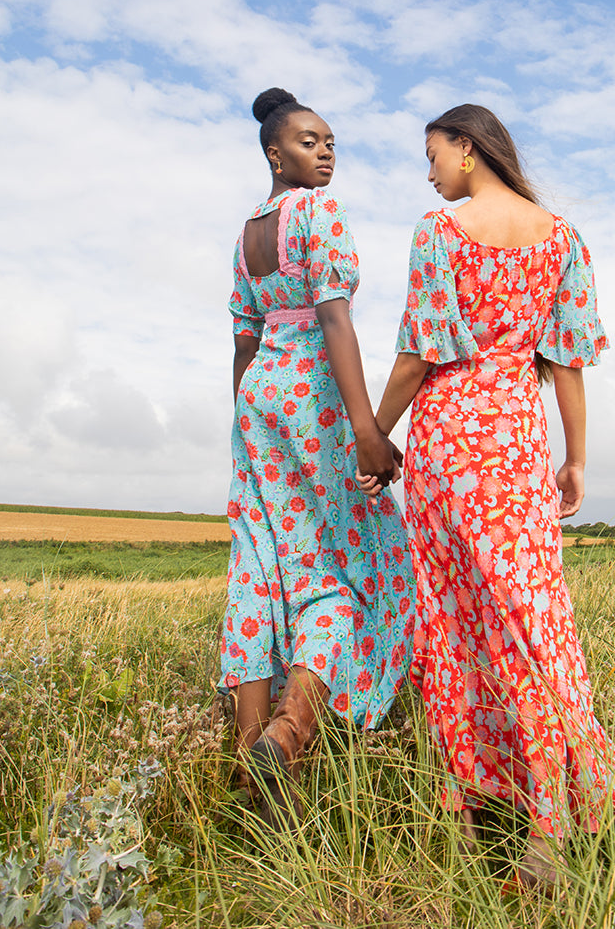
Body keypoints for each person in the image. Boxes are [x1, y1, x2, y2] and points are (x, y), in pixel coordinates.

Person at [371, 104, 615, 882]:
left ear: (469, 149)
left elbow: (420, 355)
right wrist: (576, 459)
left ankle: (470, 809)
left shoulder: (438, 234)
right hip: (518, 446)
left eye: (434, 154)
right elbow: (569, 361)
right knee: (531, 622)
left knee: (450, 624)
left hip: (448, 448)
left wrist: (374, 432)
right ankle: (545, 822)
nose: (429, 172)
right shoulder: (562, 238)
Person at [222, 87, 414, 816]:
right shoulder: (319, 213)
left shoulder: (245, 235)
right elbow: (335, 319)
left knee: (261, 562)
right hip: (311, 394)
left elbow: (244, 340)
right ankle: (288, 735)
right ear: (276, 153)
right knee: (340, 567)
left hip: (260, 399)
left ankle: (246, 767)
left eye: (330, 140)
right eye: (309, 141)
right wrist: (365, 427)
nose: (325, 151)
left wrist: (244, 429)